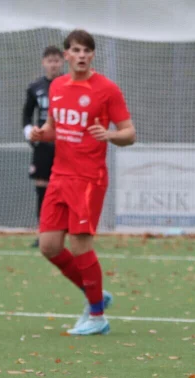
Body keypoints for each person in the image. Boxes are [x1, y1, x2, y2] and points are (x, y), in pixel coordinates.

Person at [29, 29, 136, 336]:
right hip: (59, 177)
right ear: (66, 55)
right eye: (75, 50)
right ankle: (96, 295)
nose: (80, 55)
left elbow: (129, 133)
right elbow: (54, 127)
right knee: (49, 247)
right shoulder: (58, 86)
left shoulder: (107, 89)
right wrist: (42, 133)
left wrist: (111, 135)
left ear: (92, 55)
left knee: (79, 245)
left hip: (89, 178)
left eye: (86, 51)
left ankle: (98, 316)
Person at [23, 46, 64, 248]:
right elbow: (26, 115)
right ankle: (43, 233)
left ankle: (68, 232)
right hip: (43, 145)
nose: (53, 64)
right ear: (43, 63)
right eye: (50, 60)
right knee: (42, 189)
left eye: (57, 60)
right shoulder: (35, 87)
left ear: (62, 62)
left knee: (66, 189)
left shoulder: (70, 84)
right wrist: (30, 134)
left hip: (66, 144)